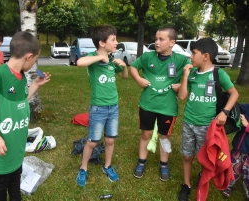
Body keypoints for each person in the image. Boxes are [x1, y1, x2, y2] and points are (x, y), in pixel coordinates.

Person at [0, 31, 51, 200]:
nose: (33, 64)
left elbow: (21, 100)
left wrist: (36, 84)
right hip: (1, 144)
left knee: (16, 176)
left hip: (15, 143)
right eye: (35, 60)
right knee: (1, 181)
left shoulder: (21, 77)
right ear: (29, 56)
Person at [177, 38, 239, 201]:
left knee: (205, 158)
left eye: (193, 53)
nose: (190, 57)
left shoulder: (219, 74)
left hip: (208, 126)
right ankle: (186, 184)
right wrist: (185, 76)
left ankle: (203, 177)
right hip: (189, 122)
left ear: (205, 56)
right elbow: (182, 96)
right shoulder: (192, 74)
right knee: (187, 156)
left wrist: (225, 112)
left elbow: (234, 93)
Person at [130, 27, 191, 181]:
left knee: (164, 136)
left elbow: (197, 71)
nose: (156, 42)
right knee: (146, 134)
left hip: (168, 107)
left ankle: (164, 164)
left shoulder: (181, 60)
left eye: (161, 39)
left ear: (172, 42)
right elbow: (133, 67)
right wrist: (138, 79)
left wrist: (184, 84)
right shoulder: (148, 57)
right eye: (156, 39)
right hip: (147, 104)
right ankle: (141, 161)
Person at [75, 24, 128, 187]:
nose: (117, 42)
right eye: (113, 39)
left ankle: (108, 166)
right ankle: (83, 168)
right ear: (102, 43)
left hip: (113, 107)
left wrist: (124, 67)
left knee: (110, 140)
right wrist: (100, 57)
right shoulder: (92, 57)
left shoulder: (113, 60)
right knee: (93, 141)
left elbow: (124, 77)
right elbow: (79, 62)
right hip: (98, 108)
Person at [221, 107, 249, 200]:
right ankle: (228, 186)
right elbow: (238, 107)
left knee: (247, 172)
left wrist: (247, 125)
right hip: (239, 147)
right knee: (233, 167)